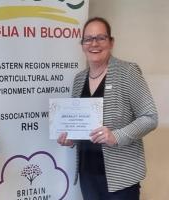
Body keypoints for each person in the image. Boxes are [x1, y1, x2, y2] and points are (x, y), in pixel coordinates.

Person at [57, 17, 158, 200]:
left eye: (100, 38)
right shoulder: (79, 80)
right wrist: (71, 139)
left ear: (111, 42)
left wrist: (116, 136)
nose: (94, 43)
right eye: (88, 39)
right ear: (82, 45)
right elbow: (80, 125)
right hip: (88, 174)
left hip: (121, 178)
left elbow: (150, 117)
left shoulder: (127, 72)